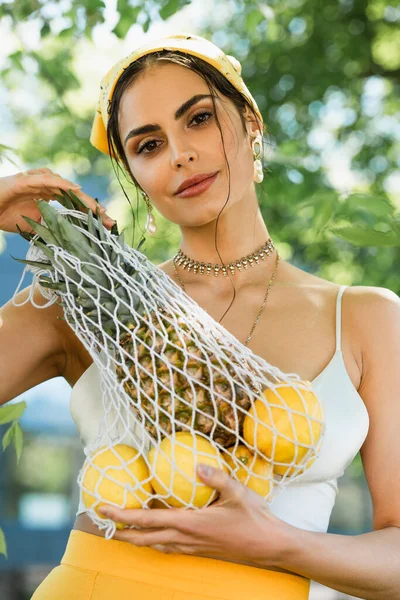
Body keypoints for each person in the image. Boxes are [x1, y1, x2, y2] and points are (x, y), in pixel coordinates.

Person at [1, 32, 399, 600]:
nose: (179, 154)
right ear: (134, 176)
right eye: (147, 145)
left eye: (199, 118)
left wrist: (276, 543)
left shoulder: (365, 319)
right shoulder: (87, 306)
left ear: (251, 122)